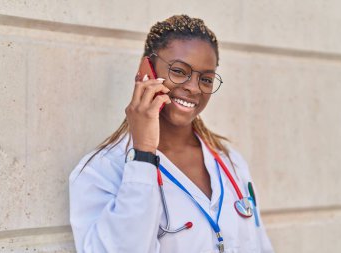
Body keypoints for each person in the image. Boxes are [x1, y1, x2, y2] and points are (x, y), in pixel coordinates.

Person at [69, 15, 274, 253]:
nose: (194, 88)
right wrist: (143, 155)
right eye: (179, 71)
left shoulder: (231, 163)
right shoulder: (101, 171)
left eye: (206, 79)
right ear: (146, 70)